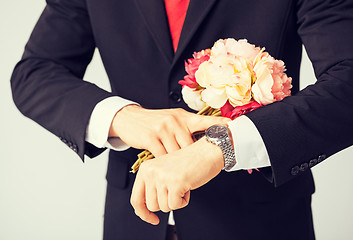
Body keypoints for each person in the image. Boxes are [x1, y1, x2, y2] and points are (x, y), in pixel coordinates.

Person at [10, 0, 353, 239]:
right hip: (132, 223)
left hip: (260, 222)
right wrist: (123, 118)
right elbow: (36, 71)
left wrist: (224, 146)